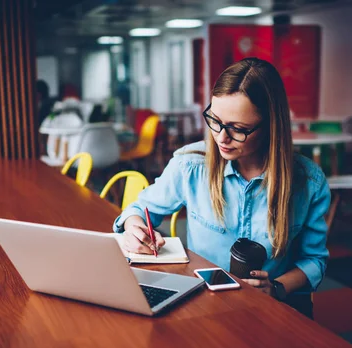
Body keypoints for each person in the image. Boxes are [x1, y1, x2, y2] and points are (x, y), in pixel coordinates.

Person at [112, 58, 330, 318]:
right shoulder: (190, 165)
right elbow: (138, 209)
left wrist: (277, 288)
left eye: (238, 129)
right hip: (205, 305)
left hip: (273, 310)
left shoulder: (308, 181)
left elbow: (314, 260)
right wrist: (133, 227)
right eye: (215, 120)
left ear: (272, 126)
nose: (221, 137)